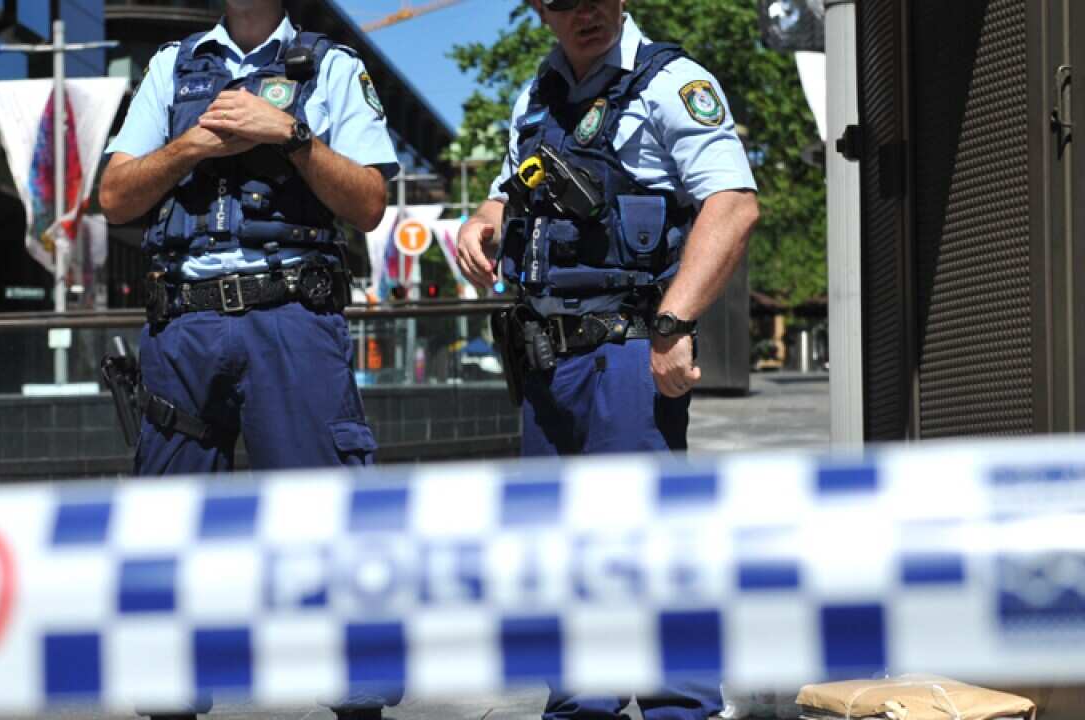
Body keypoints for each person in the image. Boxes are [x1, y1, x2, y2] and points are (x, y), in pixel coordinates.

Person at [457, 0, 759, 718]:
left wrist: (673, 322)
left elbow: (733, 204)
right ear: (538, 8)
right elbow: (516, 194)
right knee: (559, 565)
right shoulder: (540, 95)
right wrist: (484, 219)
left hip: (625, 357)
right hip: (545, 366)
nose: (584, 12)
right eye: (562, 0)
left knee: (650, 560)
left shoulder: (669, 82)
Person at [98, 1, 400, 718]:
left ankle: (355, 699)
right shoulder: (172, 67)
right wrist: (191, 147)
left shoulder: (331, 65)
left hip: (290, 316)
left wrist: (290, 135)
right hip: (184, 324)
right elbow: (114, 197)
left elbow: (369, 204)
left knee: (324, 524)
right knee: (168, 533)